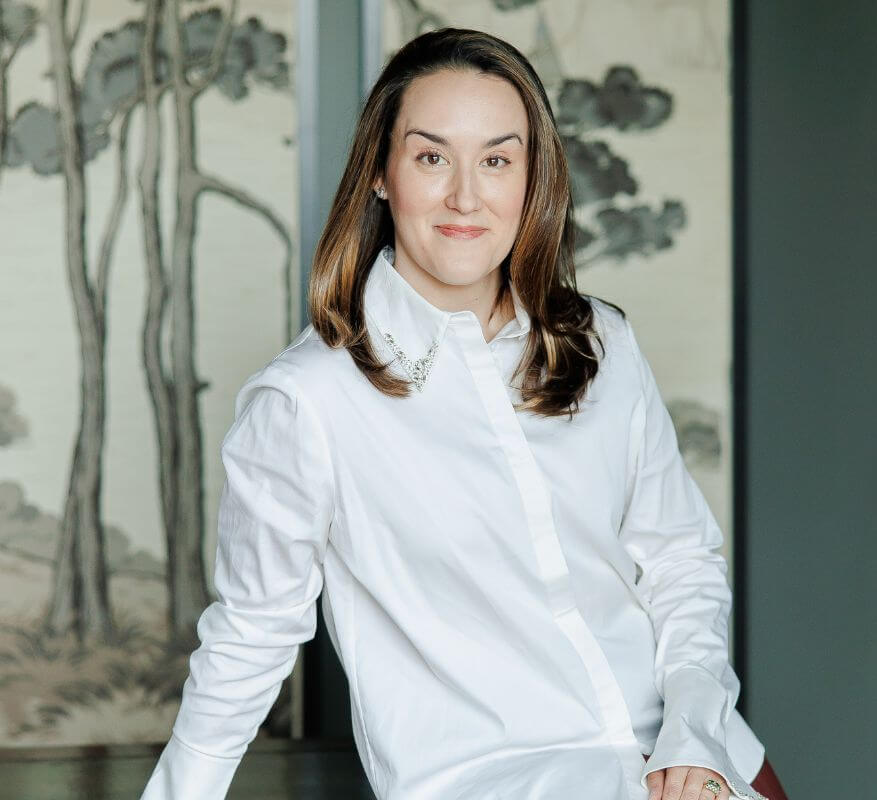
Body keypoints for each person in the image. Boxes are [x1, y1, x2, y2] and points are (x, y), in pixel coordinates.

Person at [139, 27, 787, 800]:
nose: (466, 197)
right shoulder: (306, 400)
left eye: (497, 160)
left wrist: (694, 734)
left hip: (703, 758)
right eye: (431, 157)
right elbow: (251, 634)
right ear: (380, 173)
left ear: (532, 178)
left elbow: (680, 561)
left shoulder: (601, 342)